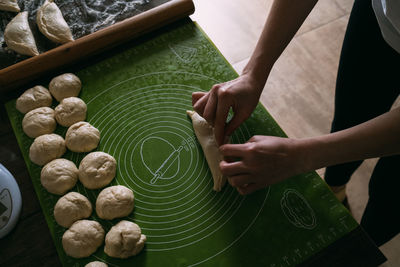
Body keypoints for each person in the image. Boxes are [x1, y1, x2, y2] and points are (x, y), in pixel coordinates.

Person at [192, 0, 400, 247]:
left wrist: (302, 156)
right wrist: (253, 74)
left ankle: (363, 246)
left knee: (391, 192)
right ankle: (335, 187)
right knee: (353, 112)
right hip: (380, 15)